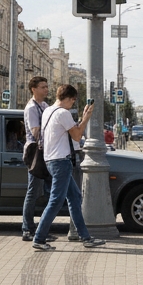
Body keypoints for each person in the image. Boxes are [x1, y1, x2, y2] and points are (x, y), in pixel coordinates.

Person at [34, 84, 106, 251]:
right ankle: (39, 238)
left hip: (51, 160)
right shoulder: (63, 113)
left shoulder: (48, 111)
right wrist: (86, 117)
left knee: (74, 198)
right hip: (61, 161)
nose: (72, 104)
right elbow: (77, 135)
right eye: (73, 101)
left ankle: (85, 237)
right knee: (56, 201)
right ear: (69, 98)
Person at [21, 76, 50, 242]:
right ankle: (27, 228)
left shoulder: (44, 105)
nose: (46, 90)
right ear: (34, 89)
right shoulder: (32, 108)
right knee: (33, 191)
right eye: (43, 87)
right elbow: (35, 131)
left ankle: (41, 229)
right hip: (35, 152)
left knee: (47, 191)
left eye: (46, 87)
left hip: (45, 151)